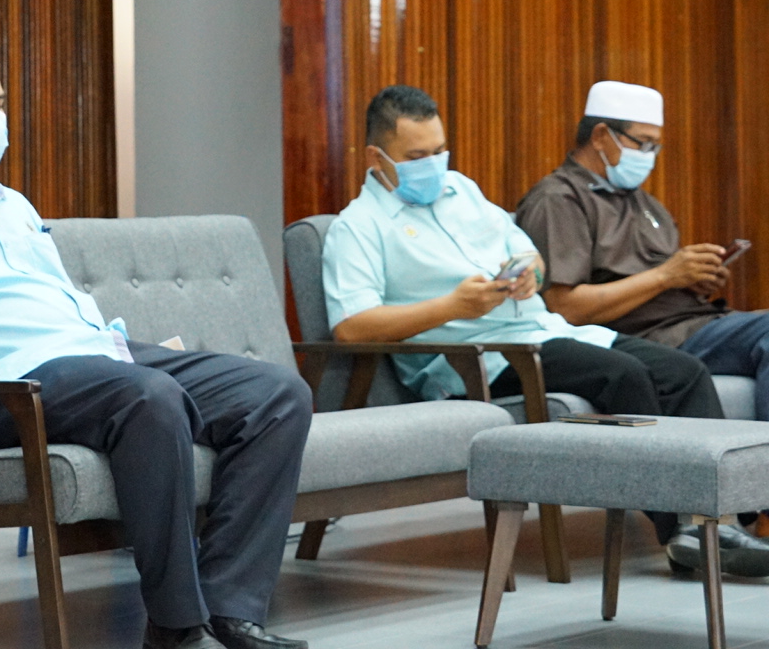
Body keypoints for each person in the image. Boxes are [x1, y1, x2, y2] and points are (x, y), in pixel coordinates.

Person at [0, 37, 312, 649]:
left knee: (275, 393)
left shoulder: (11, 204)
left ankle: (232, 607)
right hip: (7, 388)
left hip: (101, 361)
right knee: (148, 395)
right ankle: (176, 626)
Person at [322, 86, 727, 545]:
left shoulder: (462, 191)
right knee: (624, 375)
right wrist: (453, 306)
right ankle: (687, 536)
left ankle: (725, 520)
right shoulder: (358, 227)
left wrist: (530, 273)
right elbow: (351, 327)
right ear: (376, 157)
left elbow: (527, 252)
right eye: (417, 157)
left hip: (543, 330)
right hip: (479, 358)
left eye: (439, 151)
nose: (433, 165)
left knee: (684, 371)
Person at [516, 80, 769, 573]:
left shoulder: (645, 205)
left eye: (656, 146)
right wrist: (666, 276)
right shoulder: (558, 200)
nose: (649, 156)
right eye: (642, 143)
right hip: (643, 339)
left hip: (696, 320)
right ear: (602, 136)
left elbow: (661, 282)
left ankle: (738, 513)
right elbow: (562, 306)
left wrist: (693, 279)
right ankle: (754, 505)